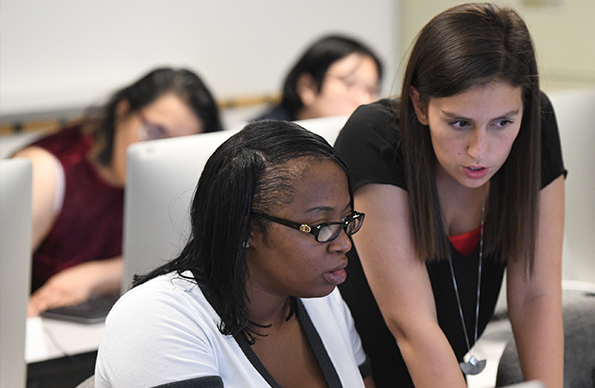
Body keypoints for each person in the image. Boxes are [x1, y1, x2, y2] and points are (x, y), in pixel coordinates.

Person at [334, 3, 566, 388]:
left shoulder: (535, 126)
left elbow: (536, 296)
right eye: (460, 123)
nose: (481, 150)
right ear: (420, 105)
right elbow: (413, 328)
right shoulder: (374, 140)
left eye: (502, 123)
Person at [95, 120, 375, 388]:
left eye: (347, 220)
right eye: (321, 226)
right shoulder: (156, 319)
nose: (344, 244)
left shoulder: (323, 302)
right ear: (246, 229)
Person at [13, 67, 223, 317]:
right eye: (154, 132)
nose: (159, 153)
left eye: (176, 146)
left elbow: (199, 256)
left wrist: (97, 276)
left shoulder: (177, 175)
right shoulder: (48, 171)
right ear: (122, 112)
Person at [254, 34, 383, 122]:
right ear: (307, 87)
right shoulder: (255, 143)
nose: (364, 101)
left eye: (372, 90)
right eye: (350, 84)